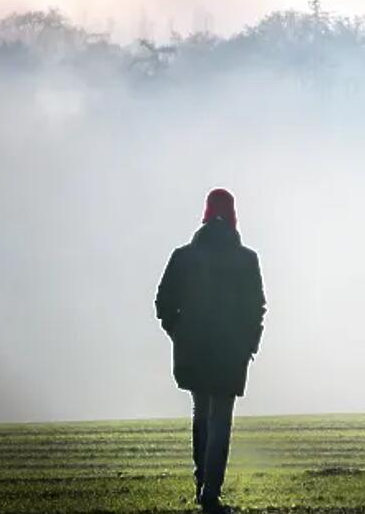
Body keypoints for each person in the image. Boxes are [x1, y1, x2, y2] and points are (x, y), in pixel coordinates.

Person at [155, 188, 266, 513]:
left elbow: (163, 302)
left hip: (193, 349)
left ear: (205, 213)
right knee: (221, 419)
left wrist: (178, 332)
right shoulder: (247, 259)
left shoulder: (184, 256)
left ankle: (201, 484)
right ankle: (210, 494)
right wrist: (249, 342)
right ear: (233, 215)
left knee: (201, 413)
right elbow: (257, 307)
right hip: (230, 350)